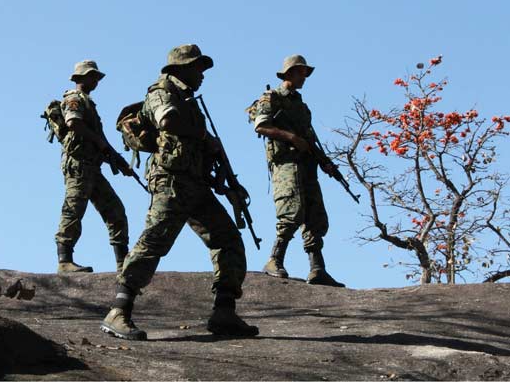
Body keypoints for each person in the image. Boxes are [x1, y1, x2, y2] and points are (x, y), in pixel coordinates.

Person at [100, 44, 259, 340]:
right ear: (181, 68)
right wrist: (204, 136)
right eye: (198, 67)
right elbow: (167, 120)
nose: (202, 75)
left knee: (228, 240)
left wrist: (227, 178)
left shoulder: (189, 100)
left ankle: (224, 312)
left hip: (196, 185)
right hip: (171, 182)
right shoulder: (161, 92)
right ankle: (119, 311)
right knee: (154, 241)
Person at [250, 55, 345, 287]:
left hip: (306, 165)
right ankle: (274, 260)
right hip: (286, 164)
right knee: (291, 211)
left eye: (305, 73)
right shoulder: (271, 98)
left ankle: (317, 268)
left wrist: (325, 162)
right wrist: (290, 137)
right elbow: (260, 125)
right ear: (290, 73)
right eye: (301, 72)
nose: (304, 77)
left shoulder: (301, 107)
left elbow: (310, 139)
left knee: (315, 217)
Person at [54, 60, 133, 274]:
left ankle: (122, 264)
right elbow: (73, 123)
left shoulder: (89, 103)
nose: (96, 81)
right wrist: (100, 144)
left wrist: (116, 159)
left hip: (92, 168)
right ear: (81, 78)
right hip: (78, 165)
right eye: (92, 76)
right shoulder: (73, 98)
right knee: (74, 209)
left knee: (115, 210)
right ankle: (64, 261)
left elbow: (101, 140)